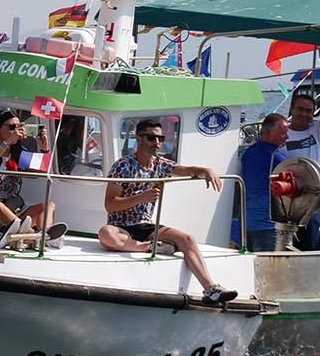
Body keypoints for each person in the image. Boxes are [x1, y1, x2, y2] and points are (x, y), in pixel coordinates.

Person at [98, 117, 238, 305]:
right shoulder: (122, 166)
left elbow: (184, 169)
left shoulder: (160, 164)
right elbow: (110, 204)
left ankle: (211, 288)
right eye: (151, 138)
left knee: (187, 239)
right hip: (120, 227)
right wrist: (141, 197)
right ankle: (150, 247)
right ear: (138, 138)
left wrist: (206, 170)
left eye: (160, 139)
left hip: (146, 226)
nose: (157, 143)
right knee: (105, 234)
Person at [0, 109, 65, 242]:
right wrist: (9, 141)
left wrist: (44, 148)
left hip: (11, 210)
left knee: (49, 205)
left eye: (19, 127)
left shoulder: (19, 154)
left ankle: (45, 235)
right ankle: (32, 236)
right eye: (12, 127)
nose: (16, 131)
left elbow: (44, 171)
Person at [239, 113, 292, 252]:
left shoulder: (248, 153)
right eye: (283, 133)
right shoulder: (277, 158)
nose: (287, 137)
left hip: (247, 222)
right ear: (270, 133)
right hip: (267, 225)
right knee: (270, 270)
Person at [284, 78, 320, 161]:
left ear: (313, 113)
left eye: (308, 111)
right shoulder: (281, 133)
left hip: (313, 172)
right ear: (292, 109)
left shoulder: (317, 130)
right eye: (300, 109)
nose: (304, 114)